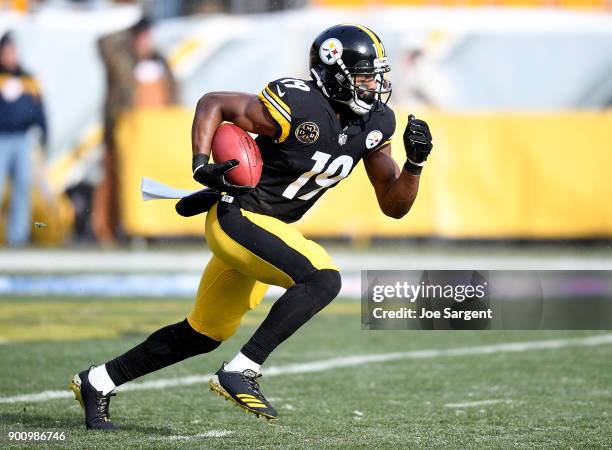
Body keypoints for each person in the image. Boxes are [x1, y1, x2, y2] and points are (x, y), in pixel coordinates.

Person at [70, 24, 433, 429]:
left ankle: (98, 380)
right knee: (323, 278)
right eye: (365, 77)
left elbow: (394, 205)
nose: (373, 87)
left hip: (267, 230)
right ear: (335, 74)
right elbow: (214, 104)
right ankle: (243, 370)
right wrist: (199, 163)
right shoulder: (299, 104)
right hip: (237, 217)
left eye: (376, 77)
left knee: (204, 332)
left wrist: (415, 165)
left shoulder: (376, 123)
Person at [91, 17, 178, 244]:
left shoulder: (161, 62)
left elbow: (174, 95)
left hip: (153, 139)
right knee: (117, 181)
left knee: (151, 184)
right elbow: (102, 43)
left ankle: (149, 230)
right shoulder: (121, 59)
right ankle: (111, 231)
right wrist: (129, 30)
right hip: (124, 133)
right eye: (140, 36)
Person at [0, 32, 47, 246]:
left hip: (22, 139)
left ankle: (17, 238)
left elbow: (39, 109)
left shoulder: (28, 79)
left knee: (22, 188)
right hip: (1, 138)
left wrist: (45, 133)